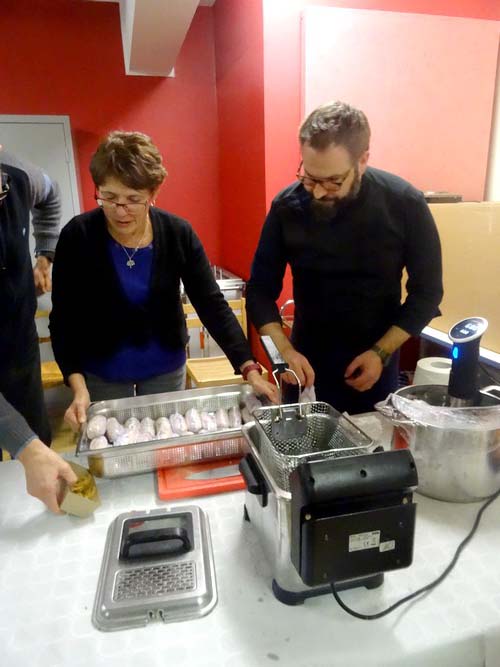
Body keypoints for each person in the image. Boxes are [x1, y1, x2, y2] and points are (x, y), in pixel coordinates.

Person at [49, 131, 278, 428]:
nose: (120, 210)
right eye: (109, 197)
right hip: (101, 373)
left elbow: (212, 304)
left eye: (133, 199)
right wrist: (78, 387)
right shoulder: (77, 236)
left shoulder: (177, 233)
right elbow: (64, 319)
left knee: (165, 446)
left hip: (165, 370)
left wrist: (249, 367)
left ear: (154, 193)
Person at [246, 101, 443, 414]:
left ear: (362, 160)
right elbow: (259, 292)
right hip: (305, 360)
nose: (319, 192)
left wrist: (381, 352)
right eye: (309, 177)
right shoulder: (287, 207)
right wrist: (283, 352)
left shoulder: (404, 204)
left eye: (333, 181)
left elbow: (428, 293)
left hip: (375, 360)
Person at [0, 148, 77, 511]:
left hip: (17, 342)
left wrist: (45, 255)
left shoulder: (18, 173)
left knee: (40, 444)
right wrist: (25, 447)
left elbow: (51, 196)